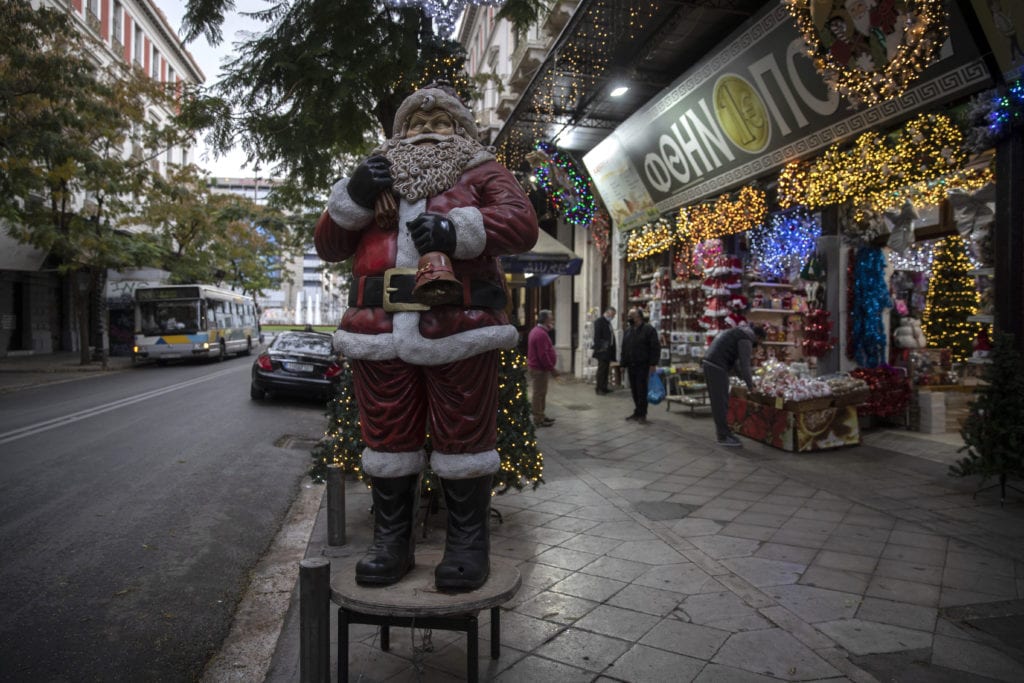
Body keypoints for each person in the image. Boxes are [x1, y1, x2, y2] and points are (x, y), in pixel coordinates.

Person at [313, 82, 539, 592]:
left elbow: (522, 222)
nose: (426, 133)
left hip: (457, 326)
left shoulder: (481, 170)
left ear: (460, 132)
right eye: (416, 126)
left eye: (439, 125)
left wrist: (457, 231)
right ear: (399, 134)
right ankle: (392, 544)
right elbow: (328, 244)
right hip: (378, 328)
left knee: (464, 437)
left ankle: (466, 546)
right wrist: (354, 195)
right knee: (388, 439)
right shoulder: (374, 177)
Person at [702, 324, 766, 447]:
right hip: (716, 366)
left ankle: (725, 433)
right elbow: (744, 364)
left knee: (720, 402)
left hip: (712, 363)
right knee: (720, 403)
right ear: (757, 337)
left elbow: (736, 362)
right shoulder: (746, 338)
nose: (758, 344)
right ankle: (723, 436)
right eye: (760, 341)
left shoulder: (738, 332)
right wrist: (750, 385)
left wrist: (743, 378)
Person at [619, 307, 660, 425]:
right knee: (634, 390)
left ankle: (642, 413)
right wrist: (622, 364)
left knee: (642, 390)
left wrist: (653, 363)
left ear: (639, 317)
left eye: (631, 316)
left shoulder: (649, 330)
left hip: (643, 365)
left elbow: (655, 348)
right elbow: (624, 349)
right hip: (631, 365)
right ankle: (637, 411)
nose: (629, 318)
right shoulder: (628, 331)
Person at [527, 310, 558, 427]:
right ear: (545, 320)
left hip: (539, 368)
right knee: (539, 394)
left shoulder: (539, 331)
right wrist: (552, 369)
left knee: (541, 393)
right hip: (539, 369)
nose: (553, 320)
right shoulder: (540, 334)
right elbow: (542, 354)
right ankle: (538, 418)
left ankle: (541, 415)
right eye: (551, 318)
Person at [592, 306, 617, 395]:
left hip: (608, 350)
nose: (613, 317)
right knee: (602, 369)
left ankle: (604, 387)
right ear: (608, 312)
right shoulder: (599, 321)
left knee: (606, 369)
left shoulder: (608, 322)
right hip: (602, 350)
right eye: (612, 315)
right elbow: (597, 337)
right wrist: (601, 348)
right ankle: (599, 388)